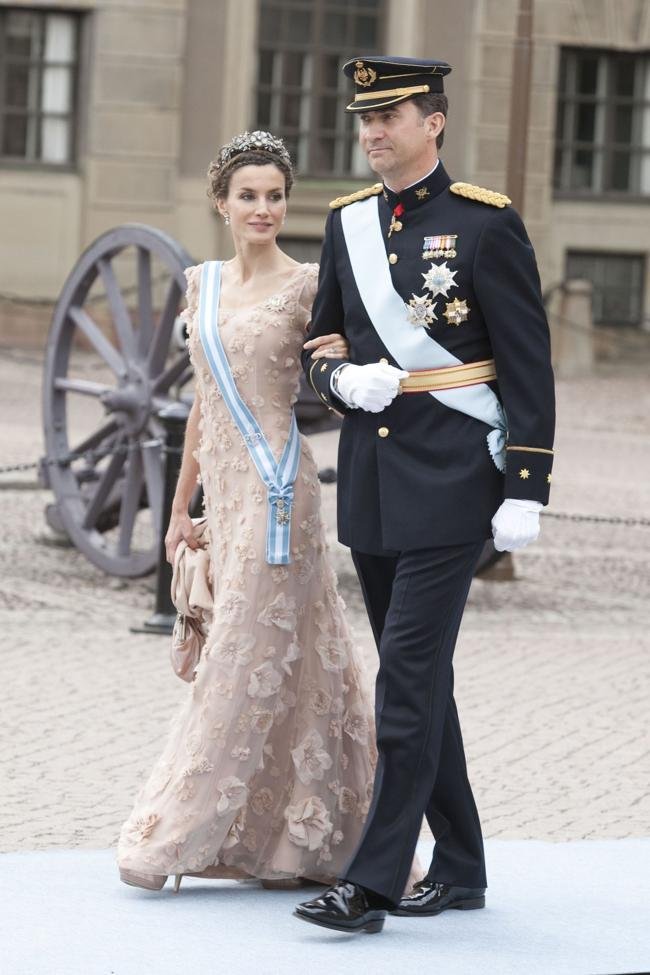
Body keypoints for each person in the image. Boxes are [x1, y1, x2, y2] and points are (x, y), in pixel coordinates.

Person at [295, 56, 555, 934]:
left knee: (402, 683)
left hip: (453, 480)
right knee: (424, 683)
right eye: (364, 118)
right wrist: (340, 380)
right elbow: (320, 337)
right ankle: (466, 866)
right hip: (373, 479)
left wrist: (527, 484)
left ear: (434, 122)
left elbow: (527, 362)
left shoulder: (485, 224)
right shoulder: (348, 223)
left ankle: (370, 884)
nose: (373, 131)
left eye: (392, 116)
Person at [117, 130, 383, 891]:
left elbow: (340, 368)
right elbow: (204, 402)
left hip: (279, 495)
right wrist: (178, 507)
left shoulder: (307, 286)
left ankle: (175, 833)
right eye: (248, 196)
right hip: (227, 498)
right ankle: (294, 837)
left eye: (274, 196)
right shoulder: (199, 285)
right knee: (291, 659)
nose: (263, 209)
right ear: (222, 203)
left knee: (244, 655)